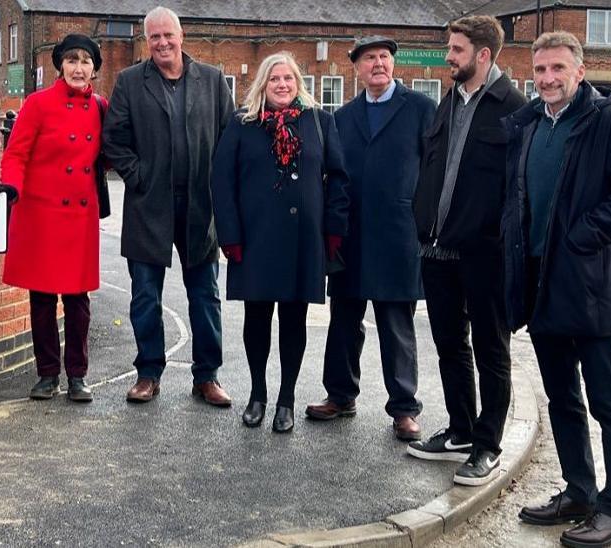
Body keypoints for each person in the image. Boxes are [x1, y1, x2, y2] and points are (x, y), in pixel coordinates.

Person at [502, 32, 611, 547]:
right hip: (538, 283)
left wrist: (581, 236)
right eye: (540, 69)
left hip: (586, 284)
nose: (547, 78)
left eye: (557, 69)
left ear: (579, 71)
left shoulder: (610, 122)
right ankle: (580, 492)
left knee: (608, 402)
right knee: (562, 397)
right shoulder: (528, 126)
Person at [410, 15, 526, 486]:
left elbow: (519, 189)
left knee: (491, 350)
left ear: (483, 55)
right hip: (436, 251)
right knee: (449, 346)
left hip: (485, 254)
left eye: (456, 50)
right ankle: (460, 430)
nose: (447, 57)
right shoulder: (448, 102)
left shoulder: (514, 108)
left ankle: (487, 445)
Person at [304, 36, 434, 442]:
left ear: (393, 64)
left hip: (399, 234)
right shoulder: (342, 117)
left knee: (397, 323)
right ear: (356, 68)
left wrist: (424, 225)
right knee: (344, 320)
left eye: (384, 57)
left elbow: (433, 172)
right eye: (369, 59)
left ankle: (404, 409)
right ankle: (340, 395)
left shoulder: (421, 110)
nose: (378, 64)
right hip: (351, 235)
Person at [103, 6, 235, 405]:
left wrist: (218, 186)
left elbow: (229, 139)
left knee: (205, 295)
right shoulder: (129, 82)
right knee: (145, 295)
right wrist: (139, 176)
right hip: (149, 205)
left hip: (200, 206)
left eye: (168, 35)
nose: (162, 42)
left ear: (181, 36)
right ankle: (148, 373)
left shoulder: (211, 80)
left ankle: (207, 376)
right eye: (154, 37)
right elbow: (114, 139)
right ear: (147, 42)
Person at [211, 52, 349, 433]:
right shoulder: (242, 124)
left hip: (304, 240)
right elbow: (222, 183)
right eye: (274, 79)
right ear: (263, 84)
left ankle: (285, 399)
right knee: (256, 320)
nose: (282, 85)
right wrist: (230, 236)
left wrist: (334, 229)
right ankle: (258, 395)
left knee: (294, 320)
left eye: (288, 78)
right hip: (254, 240)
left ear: (298, 82)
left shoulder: (319, 121)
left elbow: (338, 178)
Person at [0, 34, 108, 402]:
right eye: (72, 60)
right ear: (60, 65)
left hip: (79, 215)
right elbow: (16, 154)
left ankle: (77, 375)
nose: (79, 67)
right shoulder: (38, 104)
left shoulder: (102, 108)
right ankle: (47, 374)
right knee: (42, 297)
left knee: (78, 300)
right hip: (41, 212)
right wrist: (10, 186)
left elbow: (110, 155)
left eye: (86, 61)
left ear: (94, 68)